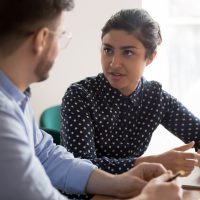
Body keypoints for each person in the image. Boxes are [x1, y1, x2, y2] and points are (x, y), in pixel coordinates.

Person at [0, 1, 182, 200]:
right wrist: (149, 198)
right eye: (61, 36)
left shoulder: (16, 98)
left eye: (128, 52)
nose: (114, 63)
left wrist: (117, 183)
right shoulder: (3, 116)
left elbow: (46, 156)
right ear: (42, 39)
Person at [61, 8, 200, 177]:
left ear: (150, 57)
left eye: (128, 52)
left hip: (131, 190)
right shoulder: (79, 95)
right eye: (108, 50)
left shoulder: (155, 98)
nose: (114, 63)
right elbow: (80, 169)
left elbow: (197, 132)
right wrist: (151, 163)